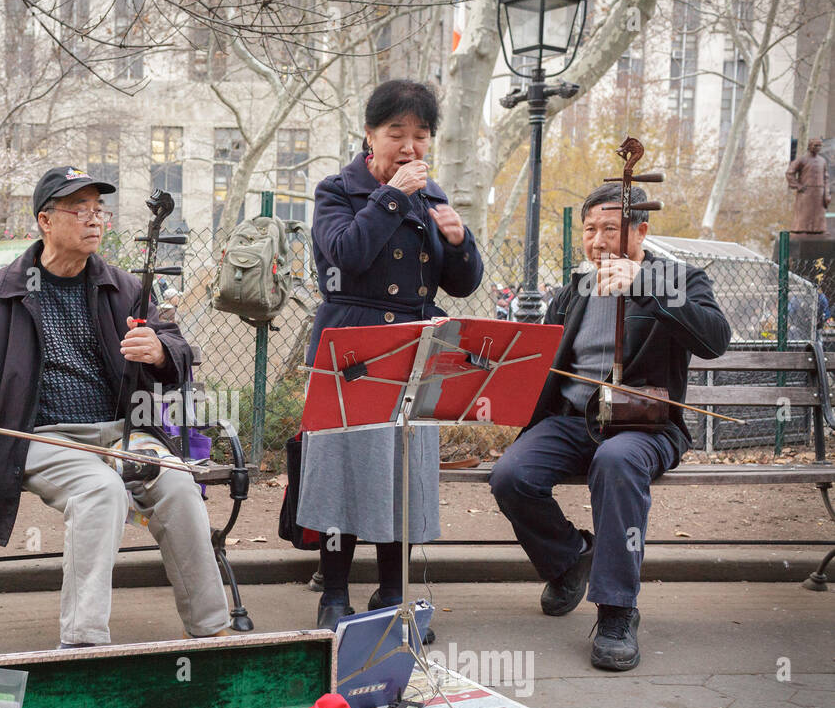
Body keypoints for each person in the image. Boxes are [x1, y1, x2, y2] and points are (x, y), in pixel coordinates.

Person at [0, 166, 230, 648]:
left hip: (122, 435)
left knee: (178, 483)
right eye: (80, 210)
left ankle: (209, 628)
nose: (94, 220)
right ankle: (84, 641)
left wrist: (159, 349)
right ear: (46, 221)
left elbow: (175, 344)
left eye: (100, 211)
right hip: (41, 438)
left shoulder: (123, 288)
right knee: (101, 492)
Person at [488, 183, 731, 671]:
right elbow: (541, 356)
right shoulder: (576, 288)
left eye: (610, 229)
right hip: (574, 419)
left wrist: (646, 285)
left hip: (645, 427)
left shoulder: (678, 278)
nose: (597, 242)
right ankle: (570, 558)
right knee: (511, 476)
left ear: (641, 229)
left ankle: (618, 611)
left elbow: (715, 340)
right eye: (590, 230)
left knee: (616, 462)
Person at [300, 79, 484, 637]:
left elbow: (462, 284)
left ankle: (396, 592)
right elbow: (347, 255)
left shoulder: (434, 197)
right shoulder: (336, 191)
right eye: (395, 134)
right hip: (352, 340)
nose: (409, 147)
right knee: (341, 468)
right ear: (369, 136)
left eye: (420, 136)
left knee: (402, 472)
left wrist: (459, 242)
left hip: (417, 344)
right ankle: (334, 593)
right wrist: (394, 196)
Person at [785, 138, 831, 235]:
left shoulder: (822, 161)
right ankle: (802, 230)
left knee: (819, 213)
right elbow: (790, 173)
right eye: (815, 145)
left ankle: (818, 230)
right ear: (810, 146)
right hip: (806, 191)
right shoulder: (802, 159)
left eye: (819, 146)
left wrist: (826, 193)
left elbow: (826, 177)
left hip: (819, 191)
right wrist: (798, 185)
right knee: (805, 212)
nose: (818, 148)